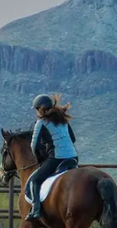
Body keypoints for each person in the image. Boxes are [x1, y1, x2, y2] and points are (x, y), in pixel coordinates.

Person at [26, 93, 79, 221]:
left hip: (56, 158)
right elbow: (73, 139)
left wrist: (40, 159)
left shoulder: (41, 122)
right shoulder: (63, 120)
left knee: (35, 180)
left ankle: (36, 210)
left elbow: (34, 146)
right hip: (73, 157)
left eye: (37, 109)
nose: (37, 112)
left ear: (40, 109)